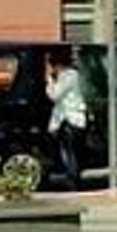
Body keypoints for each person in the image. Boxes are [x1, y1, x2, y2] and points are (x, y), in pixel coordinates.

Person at [44, 48, 88, 191]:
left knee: (69, 154)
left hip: (72, 120)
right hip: (71, 119)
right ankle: (72, 179)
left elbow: (55, 96)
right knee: (70, 152)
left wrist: (49, 79)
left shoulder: (68, 76)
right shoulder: (71, 75)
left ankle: (73, 181)